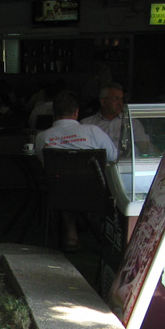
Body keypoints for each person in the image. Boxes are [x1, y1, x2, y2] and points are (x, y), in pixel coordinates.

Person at [35, 90, 117, 252]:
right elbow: (113, 157)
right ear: (76, 112)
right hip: (96, 192)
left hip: (60, 194)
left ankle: (71, 234)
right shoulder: (93, 132)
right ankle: (103, 228)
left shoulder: (42, 137)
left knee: (63, 180)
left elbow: (44, 163)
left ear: (54, 113)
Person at [81, 83, 152, 155]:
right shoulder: (86, 124)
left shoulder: (132, 123)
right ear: (103, 102)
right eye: (115, 99)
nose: (120, 103)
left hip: (125, 164)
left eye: (122, 99)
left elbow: (146, 148)